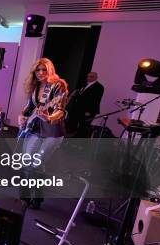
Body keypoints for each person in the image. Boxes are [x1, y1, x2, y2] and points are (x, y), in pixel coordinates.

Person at [18, 58, 68, 209]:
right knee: (26, 163)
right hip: (34, 129)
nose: (40, 73)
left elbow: (61, 110)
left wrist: (49, 117)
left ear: (50, 70)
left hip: (52, 132)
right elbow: (29, 107)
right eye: (37, 70)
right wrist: (21, 116)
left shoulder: (58, 85)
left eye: (43, 70)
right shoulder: (36, 86)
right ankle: (25, 198)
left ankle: (37, 198)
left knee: (37, 164)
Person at [67, 71, 104, 137]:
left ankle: (80, 143)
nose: (88, 78)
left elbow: (96, 100)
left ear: (96, 77)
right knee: (73, 124)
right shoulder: (84, 84)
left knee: (83, 127)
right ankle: (71, 138)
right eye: (88, 76)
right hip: (78, 108)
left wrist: (89, 111)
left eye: (91, 76)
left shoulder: (99, 87)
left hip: (88, 111)